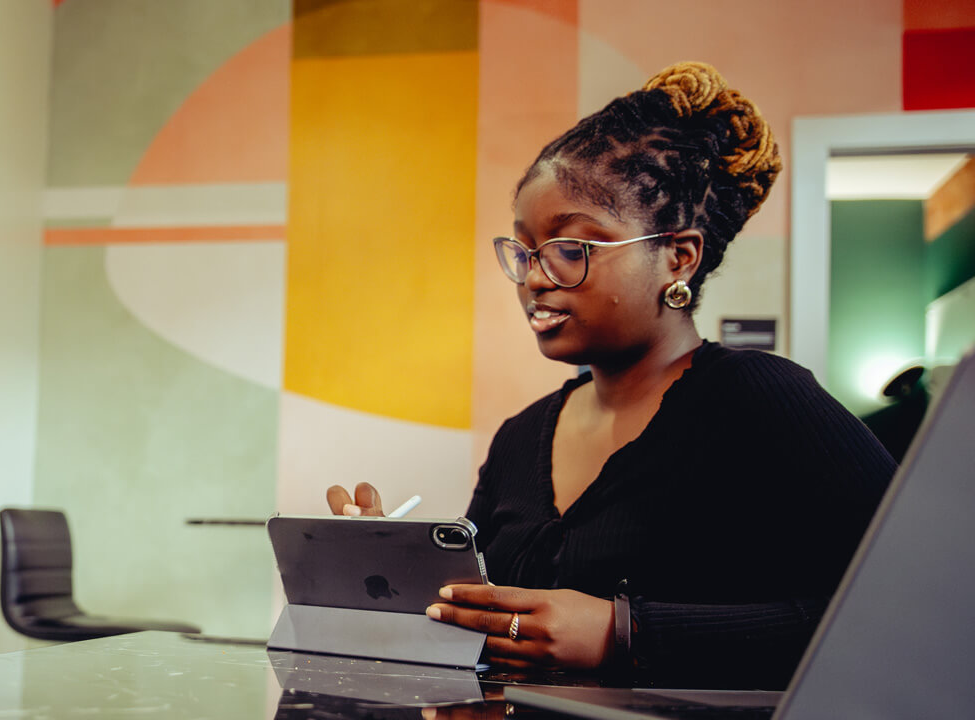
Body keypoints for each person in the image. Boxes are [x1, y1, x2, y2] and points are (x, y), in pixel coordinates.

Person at [327, 61, 894, 689]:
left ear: (677, 256)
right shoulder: (520, 438)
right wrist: (392, 577)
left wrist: (623, 633)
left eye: (571, 249)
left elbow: (908, 612)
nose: (535, 279)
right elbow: (486, 621)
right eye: (524, 251)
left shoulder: (760, 400)